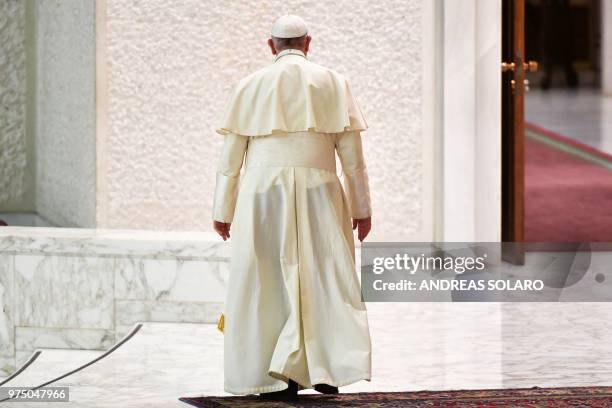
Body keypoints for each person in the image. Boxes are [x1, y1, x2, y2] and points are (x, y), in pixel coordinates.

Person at [212, 14, 372, 401]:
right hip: (320, 190)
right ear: (308, 42)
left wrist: (223, 209)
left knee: (264, 277)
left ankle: (272, 377)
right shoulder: (335, 83)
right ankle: (325, 370)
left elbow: (230, 161)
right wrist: (362, 208)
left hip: (262, 194)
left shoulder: (249, 86)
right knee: (325, 274)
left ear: (271, 46)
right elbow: (353, 159)